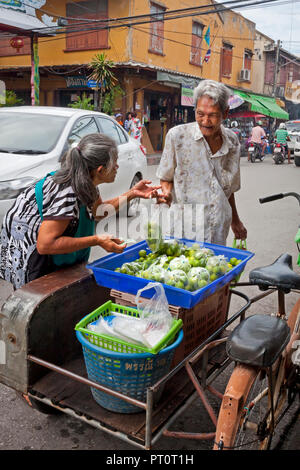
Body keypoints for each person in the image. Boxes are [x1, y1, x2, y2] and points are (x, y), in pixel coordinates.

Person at [0, 133, 159, 290]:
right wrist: (96, 240)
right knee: (36, 299)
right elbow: (46, 244)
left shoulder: (87, 181)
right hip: (29, 247)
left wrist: (132, 194)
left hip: (48, 246)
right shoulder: (67, 191)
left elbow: (98, 211)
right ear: (100, 170)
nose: (117, 167)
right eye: (115, 163)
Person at [155, 79, 247, 246]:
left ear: (225, 113)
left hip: (217, 227)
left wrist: (235, 220)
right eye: (200, 114)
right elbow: (165, 177)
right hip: (183, 229)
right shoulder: (177, 136)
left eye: (212, 115)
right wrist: (166, 193)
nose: (205, 121)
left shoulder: (232, 142)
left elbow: (228, 189)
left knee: (214, 270)